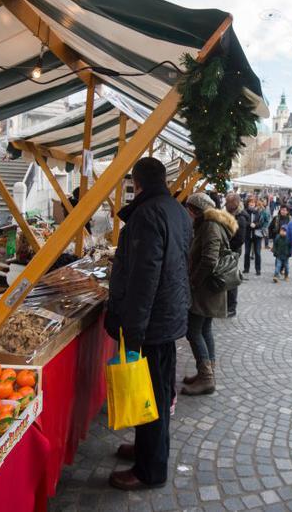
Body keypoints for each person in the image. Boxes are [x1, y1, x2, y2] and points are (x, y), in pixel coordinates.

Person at [105, 157, 192, 490]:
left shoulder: (146, 215)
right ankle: (146, 450)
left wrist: (134, 330)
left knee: (153, 396)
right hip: (168, 316)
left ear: (136, 183)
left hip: (153, 322)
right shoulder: (176, 210)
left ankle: (149, 470)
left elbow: (145, 277)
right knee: (155, 391)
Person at [182, 193, 236, 396]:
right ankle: (206, 373)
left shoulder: (210, 226)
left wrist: (193, 282)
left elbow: (209, 260)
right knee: (204, 330)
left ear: (196, 210)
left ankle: (206, 378)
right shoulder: (209, 224)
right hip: (208, 289)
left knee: (194, 331)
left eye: (189, 209)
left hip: (205, 290)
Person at [224, 193, 247, 318]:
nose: (226, 205)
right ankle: (227, 304)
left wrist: (228, 247)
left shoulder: (240, 218)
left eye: (228, 203)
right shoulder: (230, 213)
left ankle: (232, 307)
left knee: (231, 278)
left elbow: (240, 239)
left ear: (235, 204)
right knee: (226, 276)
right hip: (229, 249)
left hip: (233, 251)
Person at [243, 197, 265, 275]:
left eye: (253, 202)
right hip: (248, 235)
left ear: (255, 203)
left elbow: (262, 223)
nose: (252, 203)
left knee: (257, 253)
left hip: (257, 235)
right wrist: (250, 224)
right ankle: (246, 268)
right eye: (250, 202)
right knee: (247, 253)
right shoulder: (245, 212)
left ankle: (258, 269)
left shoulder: (258, 212)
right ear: (248, 203)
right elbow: (243, 222)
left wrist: (255, 225)